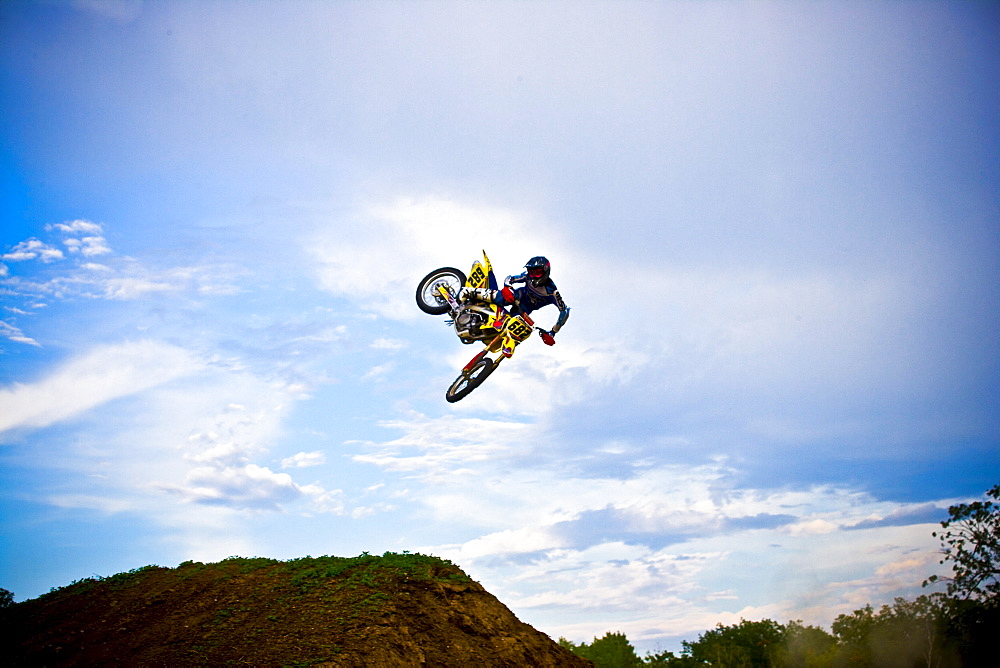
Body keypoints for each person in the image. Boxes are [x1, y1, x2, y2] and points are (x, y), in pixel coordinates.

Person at [459, 256, 569, 345]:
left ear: (546, 271)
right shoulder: (527, 277)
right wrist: (508, 287)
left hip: (522, 310)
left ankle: (480, 330)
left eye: (537, 272)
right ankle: (467, 292)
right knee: (500, 297)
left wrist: (553, 332)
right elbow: (510, 278)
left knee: (510, 329)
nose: (533, 275)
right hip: (515, 296)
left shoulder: (552, 292)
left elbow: (564, 311)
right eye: (531, 272)